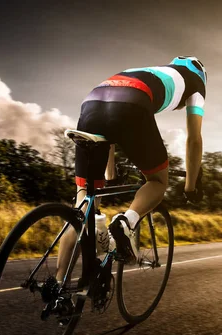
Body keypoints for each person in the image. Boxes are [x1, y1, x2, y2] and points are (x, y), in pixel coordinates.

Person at [56, 56, 206, 284]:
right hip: (134, 103)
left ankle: (59, 288)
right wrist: (191, 186)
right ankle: (126, 222)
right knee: (157, 182)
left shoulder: (149, 70)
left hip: (92, 101)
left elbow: (111, 121)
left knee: (82, 207)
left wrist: (109, 174)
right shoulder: (196, 82)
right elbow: (194, 140)